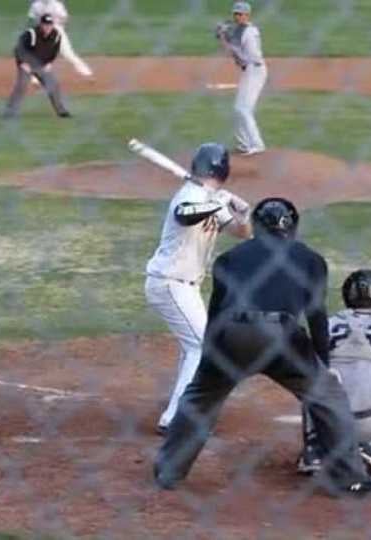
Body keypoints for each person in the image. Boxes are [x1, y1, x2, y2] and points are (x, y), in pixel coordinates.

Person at [153, 198, 371, 497]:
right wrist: (324, 367)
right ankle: (350, 478)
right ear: (294, 228)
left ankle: (169, 472)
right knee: (327, 397)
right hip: (283, 336)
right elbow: (316, 317)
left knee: (199, 398)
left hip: (233, 334)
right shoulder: (311, 260)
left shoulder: (230, 258)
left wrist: (209, 363)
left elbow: (217, 313)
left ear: (257, 227)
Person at [145, 143, 253, 436]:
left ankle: (184, 403)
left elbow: (243, 233)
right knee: (201, 347)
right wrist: (217, 203)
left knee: (192, 345)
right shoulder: (191, 195)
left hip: (186, 286)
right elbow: (185, 214)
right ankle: (176, 417)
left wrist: (242, 213)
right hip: (169, 282)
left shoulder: (209, 197)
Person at [296, 269, 371, 481]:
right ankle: (368, 450)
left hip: (325, 420)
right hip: (367, 422)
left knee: (314, 384)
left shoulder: (327, 324)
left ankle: (314, 452)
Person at [4, 12, 93, 119]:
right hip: (27, 64)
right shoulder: (31, 34)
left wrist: (49, 63)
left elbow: (54, 51)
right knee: (22, 85)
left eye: (49, 24)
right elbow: (19, 49)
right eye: (45, 24)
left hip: (42, 65)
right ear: (41, 24)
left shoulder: (56, 35)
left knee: (53, 85)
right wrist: (23, 63)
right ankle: (10, 112)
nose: (47, 27)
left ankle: (61, 111)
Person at [215, 2, 267, 156]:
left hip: (255, 71)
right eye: (235, 14)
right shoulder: (240, 30)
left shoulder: (249, 32)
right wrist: (223, 38)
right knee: (238, 108)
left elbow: (241, 53)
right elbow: (231, 50)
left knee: (244, 109)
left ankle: (257, 144)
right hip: (249, 71)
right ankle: (244, 144)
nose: (237, 16)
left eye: (240, 14)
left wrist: (224, 35)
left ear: (247, 15)